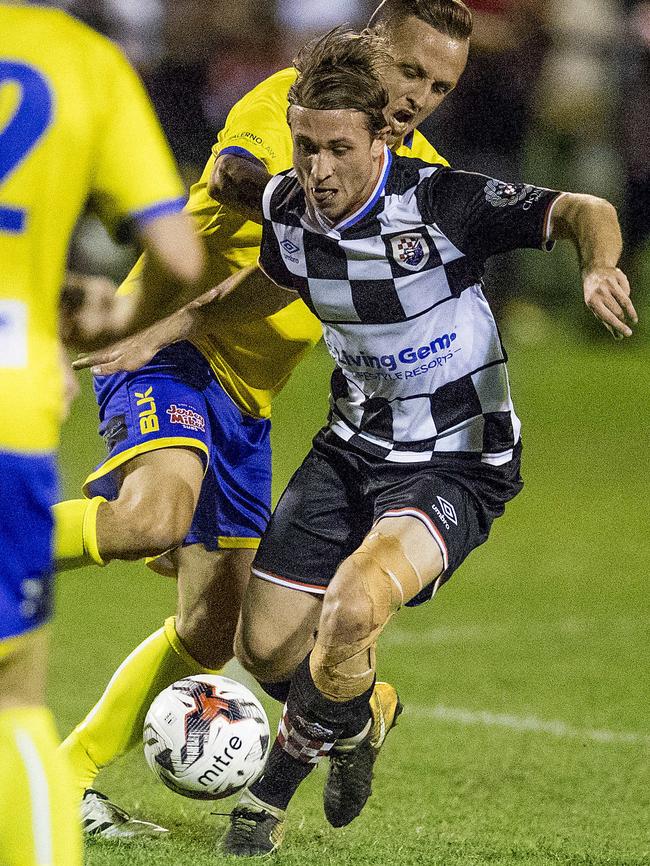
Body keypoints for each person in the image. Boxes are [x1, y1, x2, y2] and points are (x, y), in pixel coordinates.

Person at [184, 26, 633, 856]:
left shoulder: (443, 202)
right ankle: (360, 720)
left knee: (354, 607)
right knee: (266, 648)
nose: (318, 169)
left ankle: (268, 798)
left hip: (458, 457)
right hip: (351, 446)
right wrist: (173, 326)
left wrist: (598, 264)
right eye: (305, 148)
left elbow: (582, 207)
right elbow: (275, 274)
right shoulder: (291, 206)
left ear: (380, 137)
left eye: (337, 149)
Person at [55, 0, 473, 839]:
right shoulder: (290, 106)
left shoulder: (417, 167)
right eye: (409, 69)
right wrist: (336, 215)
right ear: (367, 47)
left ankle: (69, 777)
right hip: (167, 346)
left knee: (217, 634)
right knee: (153, 517)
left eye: (440, 83)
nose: (418, 94)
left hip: (248, 401)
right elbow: (232, 181)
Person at [0, 2, 206, 865]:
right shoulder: (83, 59)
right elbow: (184, 253)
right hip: (13, 392)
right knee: (15, 702)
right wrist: (114, 315)